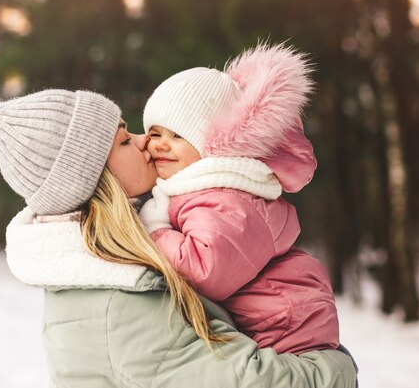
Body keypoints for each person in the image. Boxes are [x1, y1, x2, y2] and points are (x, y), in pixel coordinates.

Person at [0, 88, 357, 387]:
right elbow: (249, 382)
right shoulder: (118, 301)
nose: (145, 141)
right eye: (125, 141)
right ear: (95, 180)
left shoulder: (113, 269)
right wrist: (334, 366)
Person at [139, 43, 339, 355]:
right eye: (154, 133)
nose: (161, 145)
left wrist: (156, 230)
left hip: (287, 333)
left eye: (178, 136)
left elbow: (207, 271)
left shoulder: (226, 196)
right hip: (269, 327)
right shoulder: (199, 188)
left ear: (212, 144)